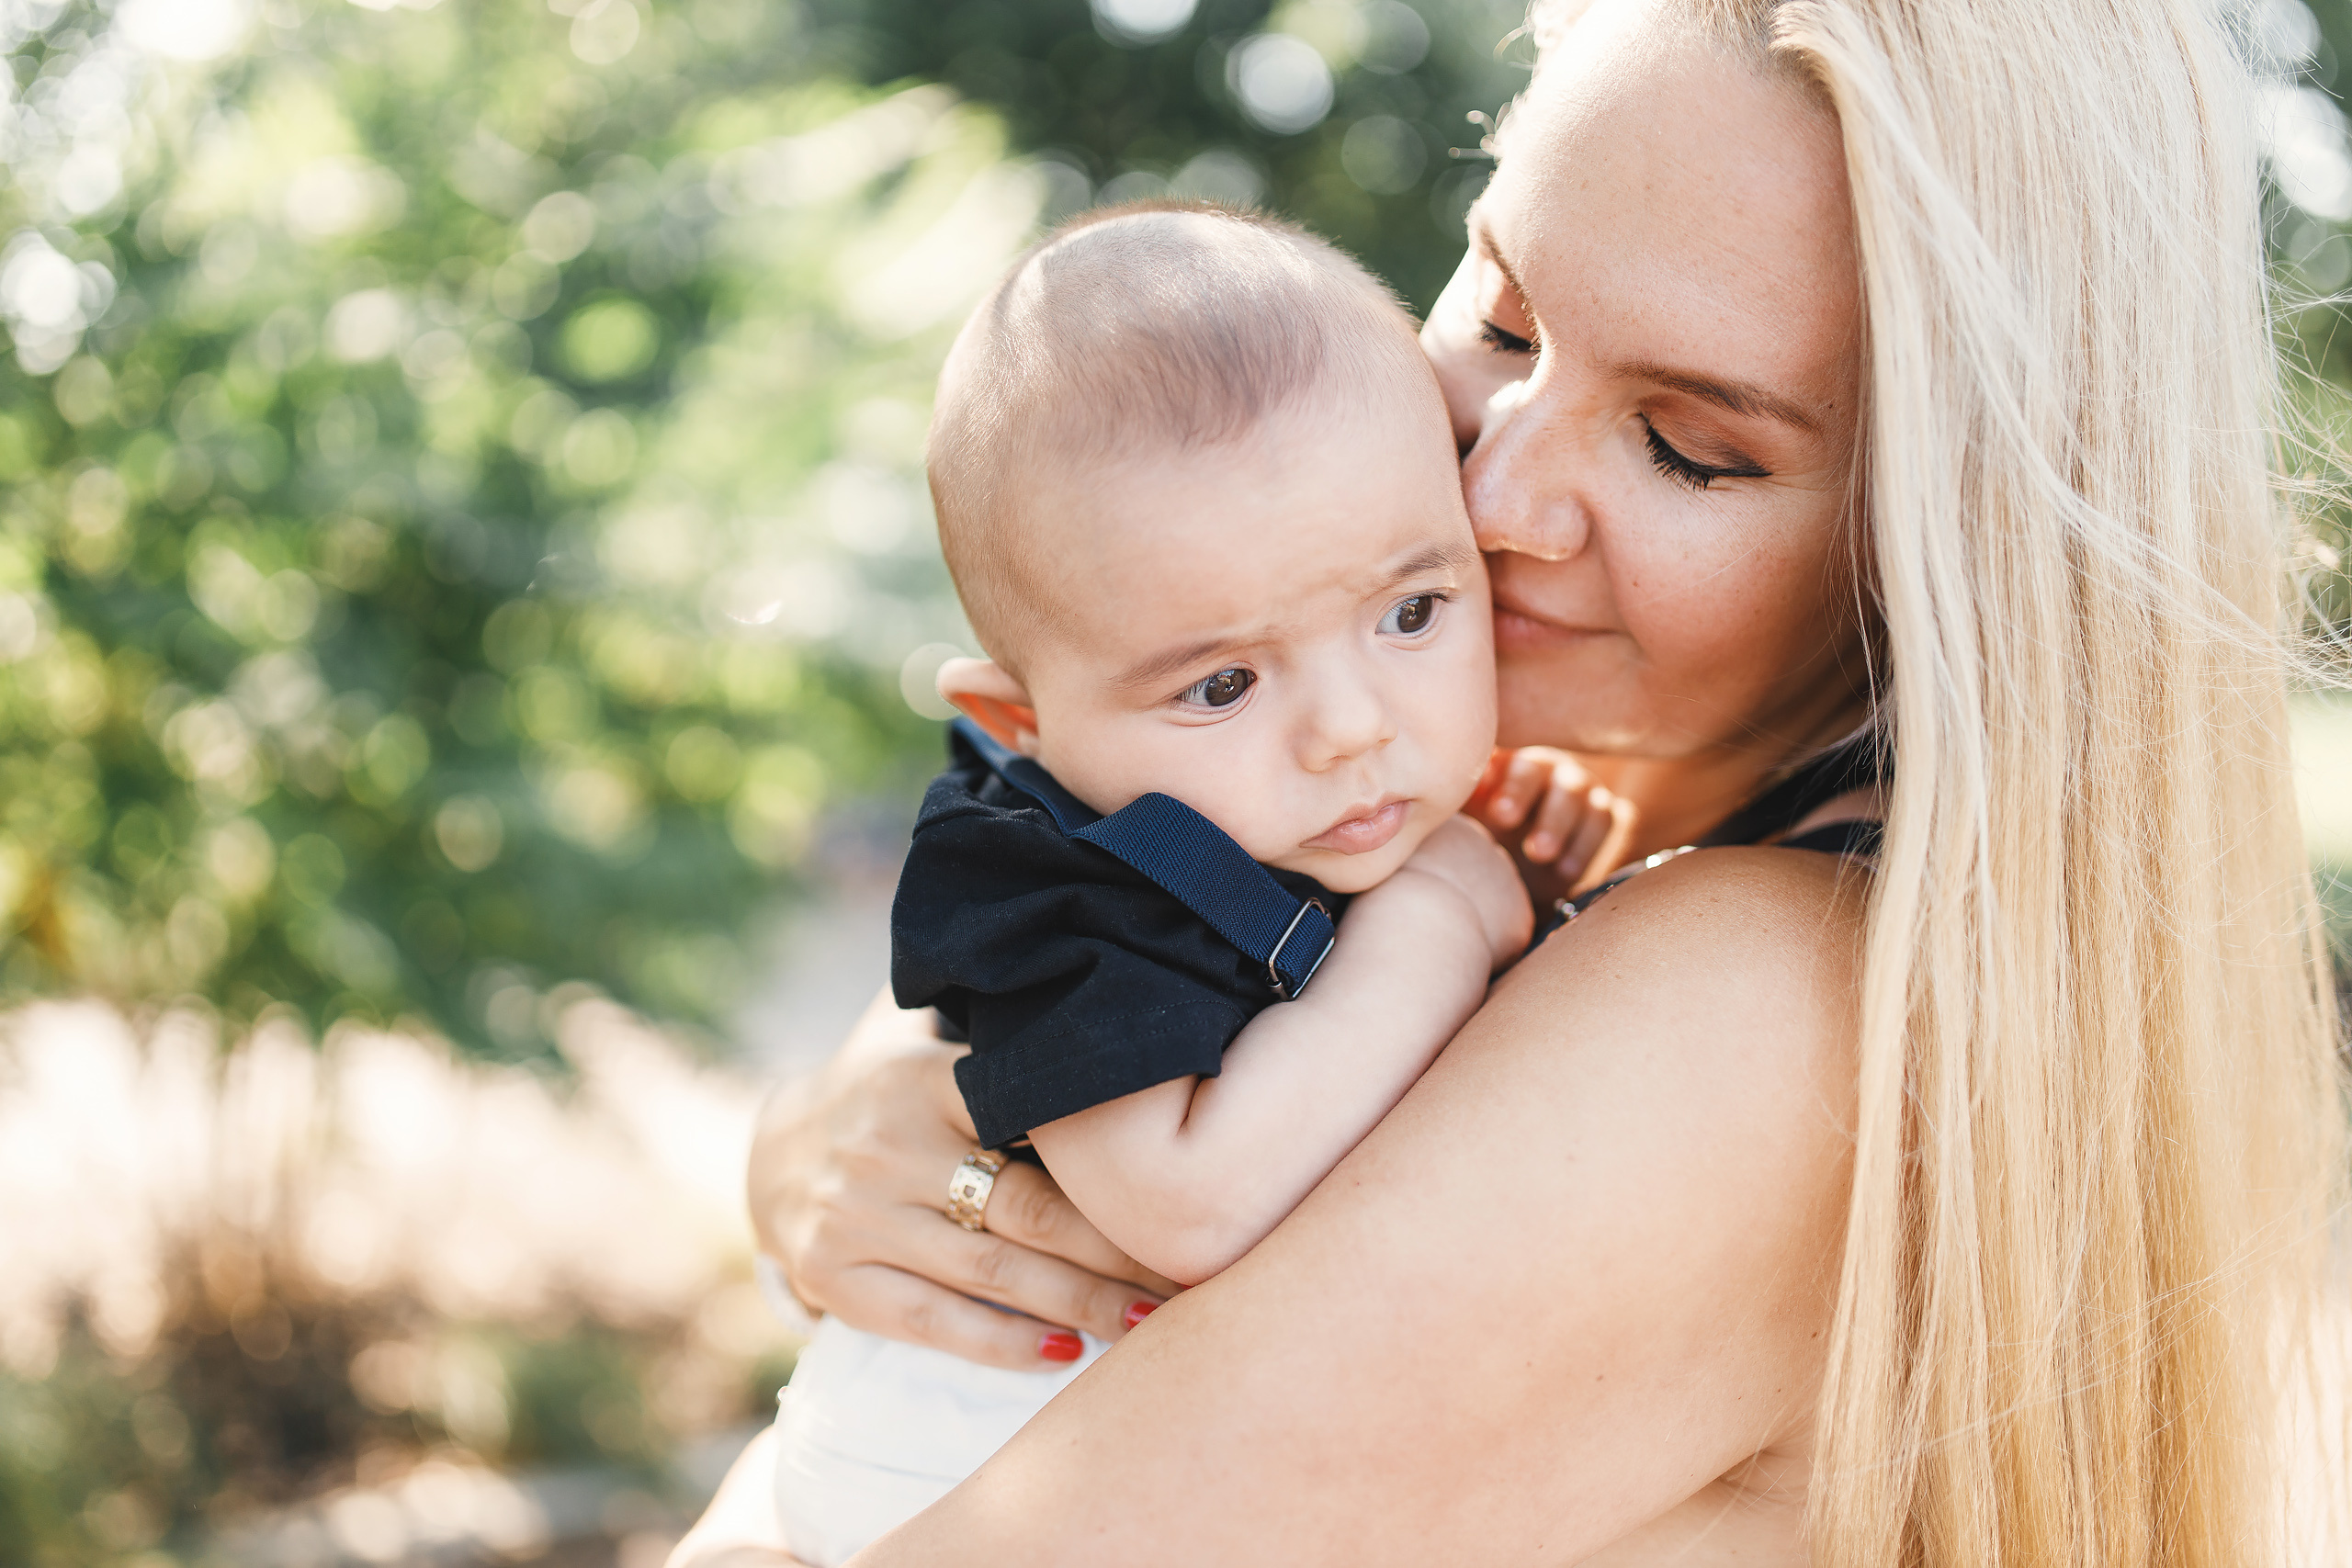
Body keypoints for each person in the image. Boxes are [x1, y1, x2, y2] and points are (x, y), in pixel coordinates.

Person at [677, 0, 2349, 1561]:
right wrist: (835, 1150)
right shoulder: (1505, 831)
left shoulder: (1748, 1013)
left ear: (1948, 550)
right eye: (1502, 316)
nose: (1490, 492)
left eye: (1692, 447)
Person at [768, 204, 1530, 1566]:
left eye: (1411, 612)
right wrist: (1437, 921)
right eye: (1223, 684)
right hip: (946, 1473)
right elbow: (1189, 1203)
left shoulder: (1359, 814)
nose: (1351, 727)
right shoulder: (1052, 886)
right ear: (1022, 728)